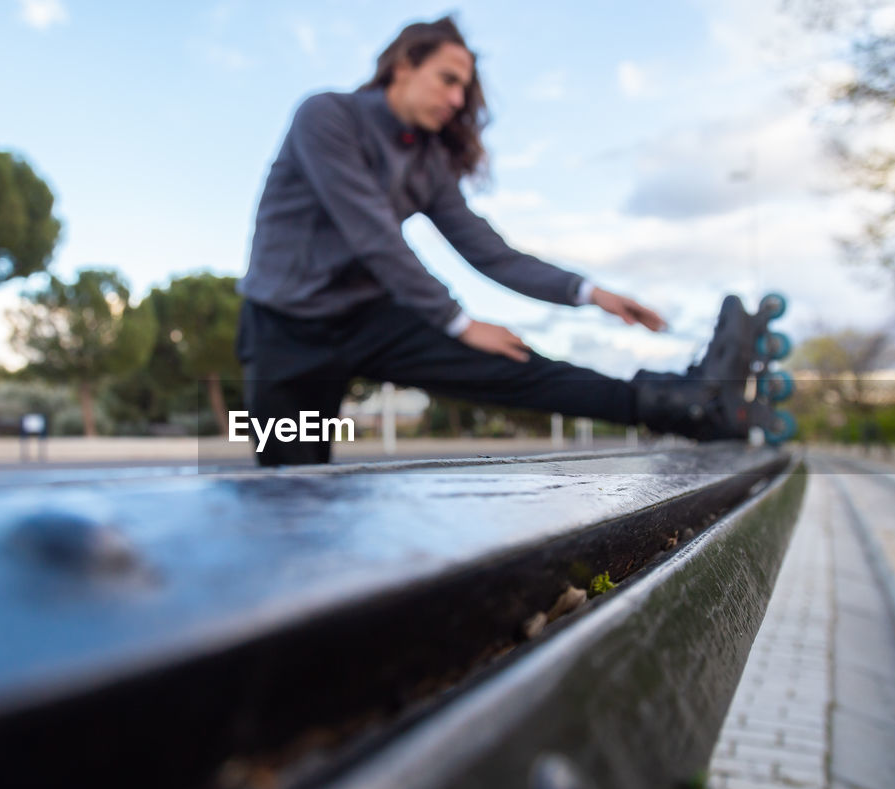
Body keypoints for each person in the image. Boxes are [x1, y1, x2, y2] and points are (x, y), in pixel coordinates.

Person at [236, 15, 724, 466]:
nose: (456, 100)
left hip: (368, 317)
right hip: (285, 328)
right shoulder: (326, 117)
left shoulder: (429, 164)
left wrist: (589, 292)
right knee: (293, 484)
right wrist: (457, 321)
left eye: (463, 89)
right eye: (447, 80)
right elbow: (373, 235)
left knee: (513, 360)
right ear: (403, 66)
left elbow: (490, 253)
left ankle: (677, 404)